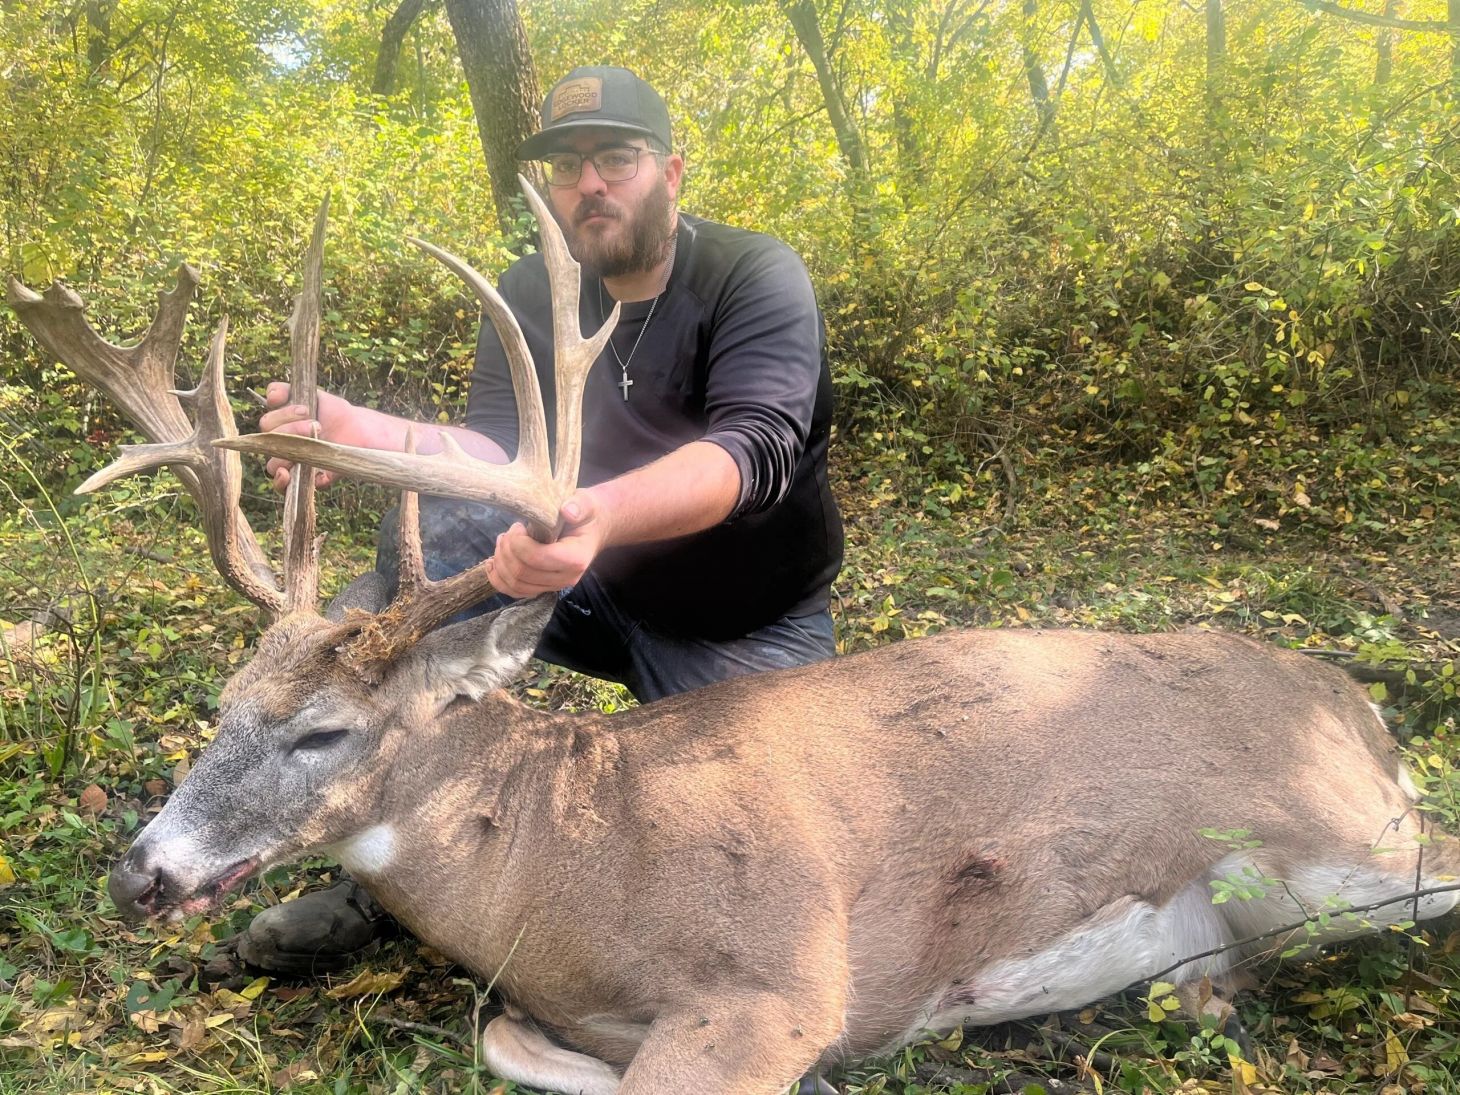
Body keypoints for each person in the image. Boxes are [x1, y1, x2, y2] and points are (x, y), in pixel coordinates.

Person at [234, 66, 844, 973]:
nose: (589, 182)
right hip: (583, 583)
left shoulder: (751, 274)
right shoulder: (532, 288)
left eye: (616, 157)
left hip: (738, 620)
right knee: (429, 551)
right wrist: (364, 428)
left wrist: (597, 514)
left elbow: (753, 450)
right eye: (567, 165)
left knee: (754, 845)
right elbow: (492, 452)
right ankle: (389, 871)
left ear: (670, 173)